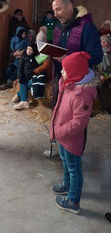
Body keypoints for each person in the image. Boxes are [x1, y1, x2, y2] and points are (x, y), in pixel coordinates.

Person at [44, 0, 103, 158]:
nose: (56, 14)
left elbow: (97, 55)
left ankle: (74, 155)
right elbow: (56, 44)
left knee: (76, 121)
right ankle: (60, 149)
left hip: (79, 84)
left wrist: (69, 59)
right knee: (59, 114)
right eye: (54, 10)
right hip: (60, 79)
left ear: (70, 7)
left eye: (59, 9)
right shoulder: (57, 25)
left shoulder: (86, 27)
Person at [50, 52, 97, 215]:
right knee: (64, 161)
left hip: (71, 139)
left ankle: (73, 201)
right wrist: (64, 79)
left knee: (74, 167)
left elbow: (79, 123)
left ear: (75, 74)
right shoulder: (70, 85)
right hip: (63, 137)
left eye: (64, 70)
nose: (61, 72)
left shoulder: (82, 94)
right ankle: (67, 185)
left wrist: (60, 131)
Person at [12, 43, 39, 110]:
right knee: (22, 83)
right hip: (23, 76)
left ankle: (19, 94)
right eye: (28, 49)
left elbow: (37, 68)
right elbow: (20, 68)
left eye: (31, 50)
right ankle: (24, 101)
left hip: (31, 77)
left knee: (30, 84)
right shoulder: (23, 57)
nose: (29, 51)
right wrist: (19, 76)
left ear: (34, 51)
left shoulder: (35, 58)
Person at [96, 35, 111, 114]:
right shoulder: (97, 53)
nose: (103, 43)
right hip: (99, 75)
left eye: (105, 42)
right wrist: (101, 76)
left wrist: (106, 76)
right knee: (99, 85)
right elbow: (94, 68)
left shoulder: (109, 55)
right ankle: (107, 106)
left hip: (108, 75)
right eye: (102, 42)